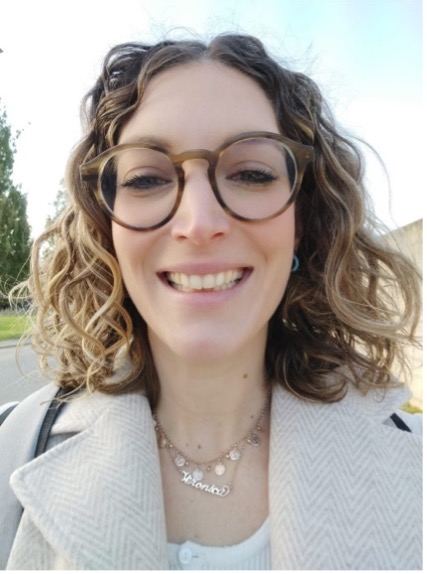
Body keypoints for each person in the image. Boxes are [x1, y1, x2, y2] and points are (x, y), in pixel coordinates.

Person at [0, 33, 421, 570]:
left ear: (301, 225)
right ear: (108, 231)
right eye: (147, 178)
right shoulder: (12, 450)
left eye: (251, 173)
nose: (199, 223)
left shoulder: (416, 461)